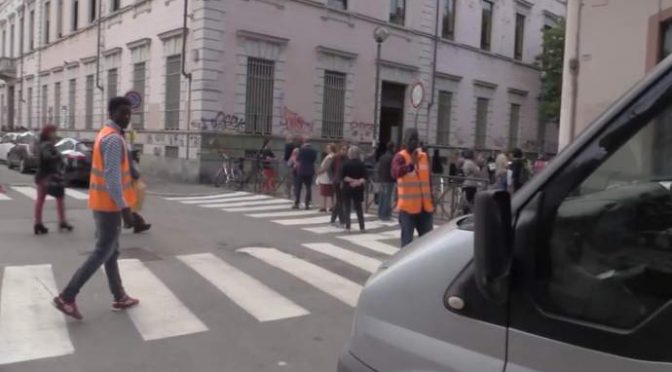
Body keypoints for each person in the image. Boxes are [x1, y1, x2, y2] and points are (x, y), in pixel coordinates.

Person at [52, 97, 140, 320]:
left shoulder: (108, 134)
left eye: (129, 113)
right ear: (111, 113)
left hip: (103, 203)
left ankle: (119, 296)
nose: (126, 117)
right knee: (103, 251)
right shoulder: (112, 139)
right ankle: (67, 296)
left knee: (111, 251)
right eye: (122, 113)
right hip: (109, 206)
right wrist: (125, 209)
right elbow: (111, 177)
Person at [391, 129, 434, 247]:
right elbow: (395, 173)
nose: (414, 142)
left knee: (427, 244)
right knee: (407, 245)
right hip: (408, 209)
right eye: (411, 139)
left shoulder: (424, 156)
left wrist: (432, 199)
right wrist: (411, 165)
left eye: (416, 139)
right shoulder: (400, 157)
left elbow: (428, 179)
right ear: (405, 141)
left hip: (425, 209)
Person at [34, 125, 72, 235]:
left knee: (41, 200)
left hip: (44, 176)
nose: (55, 134)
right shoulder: (46, 144)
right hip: (49, 176)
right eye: (53, 132)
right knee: (59, 198)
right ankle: (61, 222)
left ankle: (38, 223)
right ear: (48, 133)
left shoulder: (44, 143)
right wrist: (59, 157)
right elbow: (47, 157)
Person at [124, 148, 151, 234]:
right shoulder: (121, 146)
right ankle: (134, 222)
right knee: (124, 204)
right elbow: (128, 166)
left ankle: (135, 223)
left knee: (123, 204)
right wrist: (135, 175)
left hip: (119, 180)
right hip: (123, 181)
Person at [341, 146, 368, 232]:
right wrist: (357, 182)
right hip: (358, 188)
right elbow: (365, 177)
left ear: (349, 154)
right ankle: (362, 227)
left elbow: (343, 177)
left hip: (347, 188)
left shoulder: (345, 163)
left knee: (347, 207)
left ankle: (348, 226)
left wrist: (352, 181)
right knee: (358, 208)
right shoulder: (362, 164)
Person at [293, 140, 317, 210]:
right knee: (308, 187)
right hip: (310, 171)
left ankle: (297, 203)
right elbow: (313, 160)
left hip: (301, 170)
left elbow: (298, 159)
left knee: (298, 187)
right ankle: (307, 204)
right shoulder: (314, 151)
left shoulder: (301, 150)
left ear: (304, 144)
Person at [330, 144, 348, 227]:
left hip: (343, 181)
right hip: (337, 181)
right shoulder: (336, 158)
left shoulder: (347, 159)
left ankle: (333, 219)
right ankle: (342, 221)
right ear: (339, 149)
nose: (344, 151)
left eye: (346, 149)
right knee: (340, 201)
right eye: (343, 149)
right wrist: (333, 177)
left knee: (339, 201)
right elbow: (331, 168)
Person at [377, 142, 395, 221]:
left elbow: (379, 168)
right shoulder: (392, 157)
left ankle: (380, 213)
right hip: (389, 180)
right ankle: (385, 215)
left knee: (382, 196)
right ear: (392, 148)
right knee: (387, 197)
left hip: (382, 180)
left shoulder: (382, 157)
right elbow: (393, 169)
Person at [316, 143, 336, 212]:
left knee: (324, 193)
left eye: (328, 148)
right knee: (331, 193)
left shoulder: (330, 156)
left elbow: (326, 167)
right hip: (330, 177)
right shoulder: (333, 156)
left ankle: (324, 206)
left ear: (331, 149)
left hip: (326, 177)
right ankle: (332, 206)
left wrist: (319, 171)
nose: (326, 149)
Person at [461, 149, 480, 215]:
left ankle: (465, 213)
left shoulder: (465, 162)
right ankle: (471, 214)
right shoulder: (470, 163)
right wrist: (477, 168)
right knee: (470, 201)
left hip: (466, 184)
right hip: (471, 184)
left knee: (466, 201)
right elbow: (477, 172)